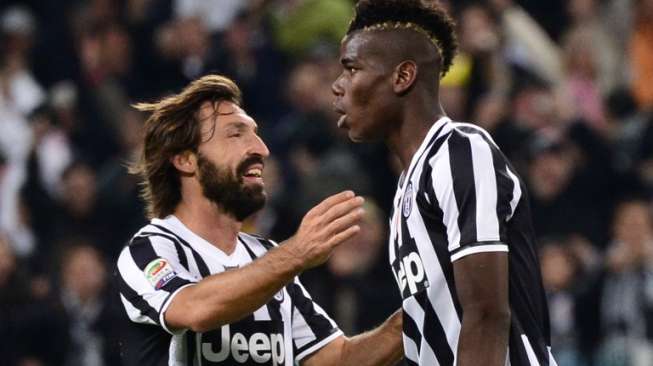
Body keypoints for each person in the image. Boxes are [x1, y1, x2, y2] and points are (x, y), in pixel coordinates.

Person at [115, 74, 404, 366]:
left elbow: (338, 359)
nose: (261, 149)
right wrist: (297, 252)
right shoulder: (150, 250)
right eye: (236, 134)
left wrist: (421, 310)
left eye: (255, 133)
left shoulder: (266, 256)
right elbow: (194, 310)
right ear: (185, 160)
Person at [331, 1, 555, 365]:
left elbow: (486, 314)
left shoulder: (460, 151)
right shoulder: (407, 185)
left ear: (403, 77)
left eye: (352, 69)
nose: (337, 87)